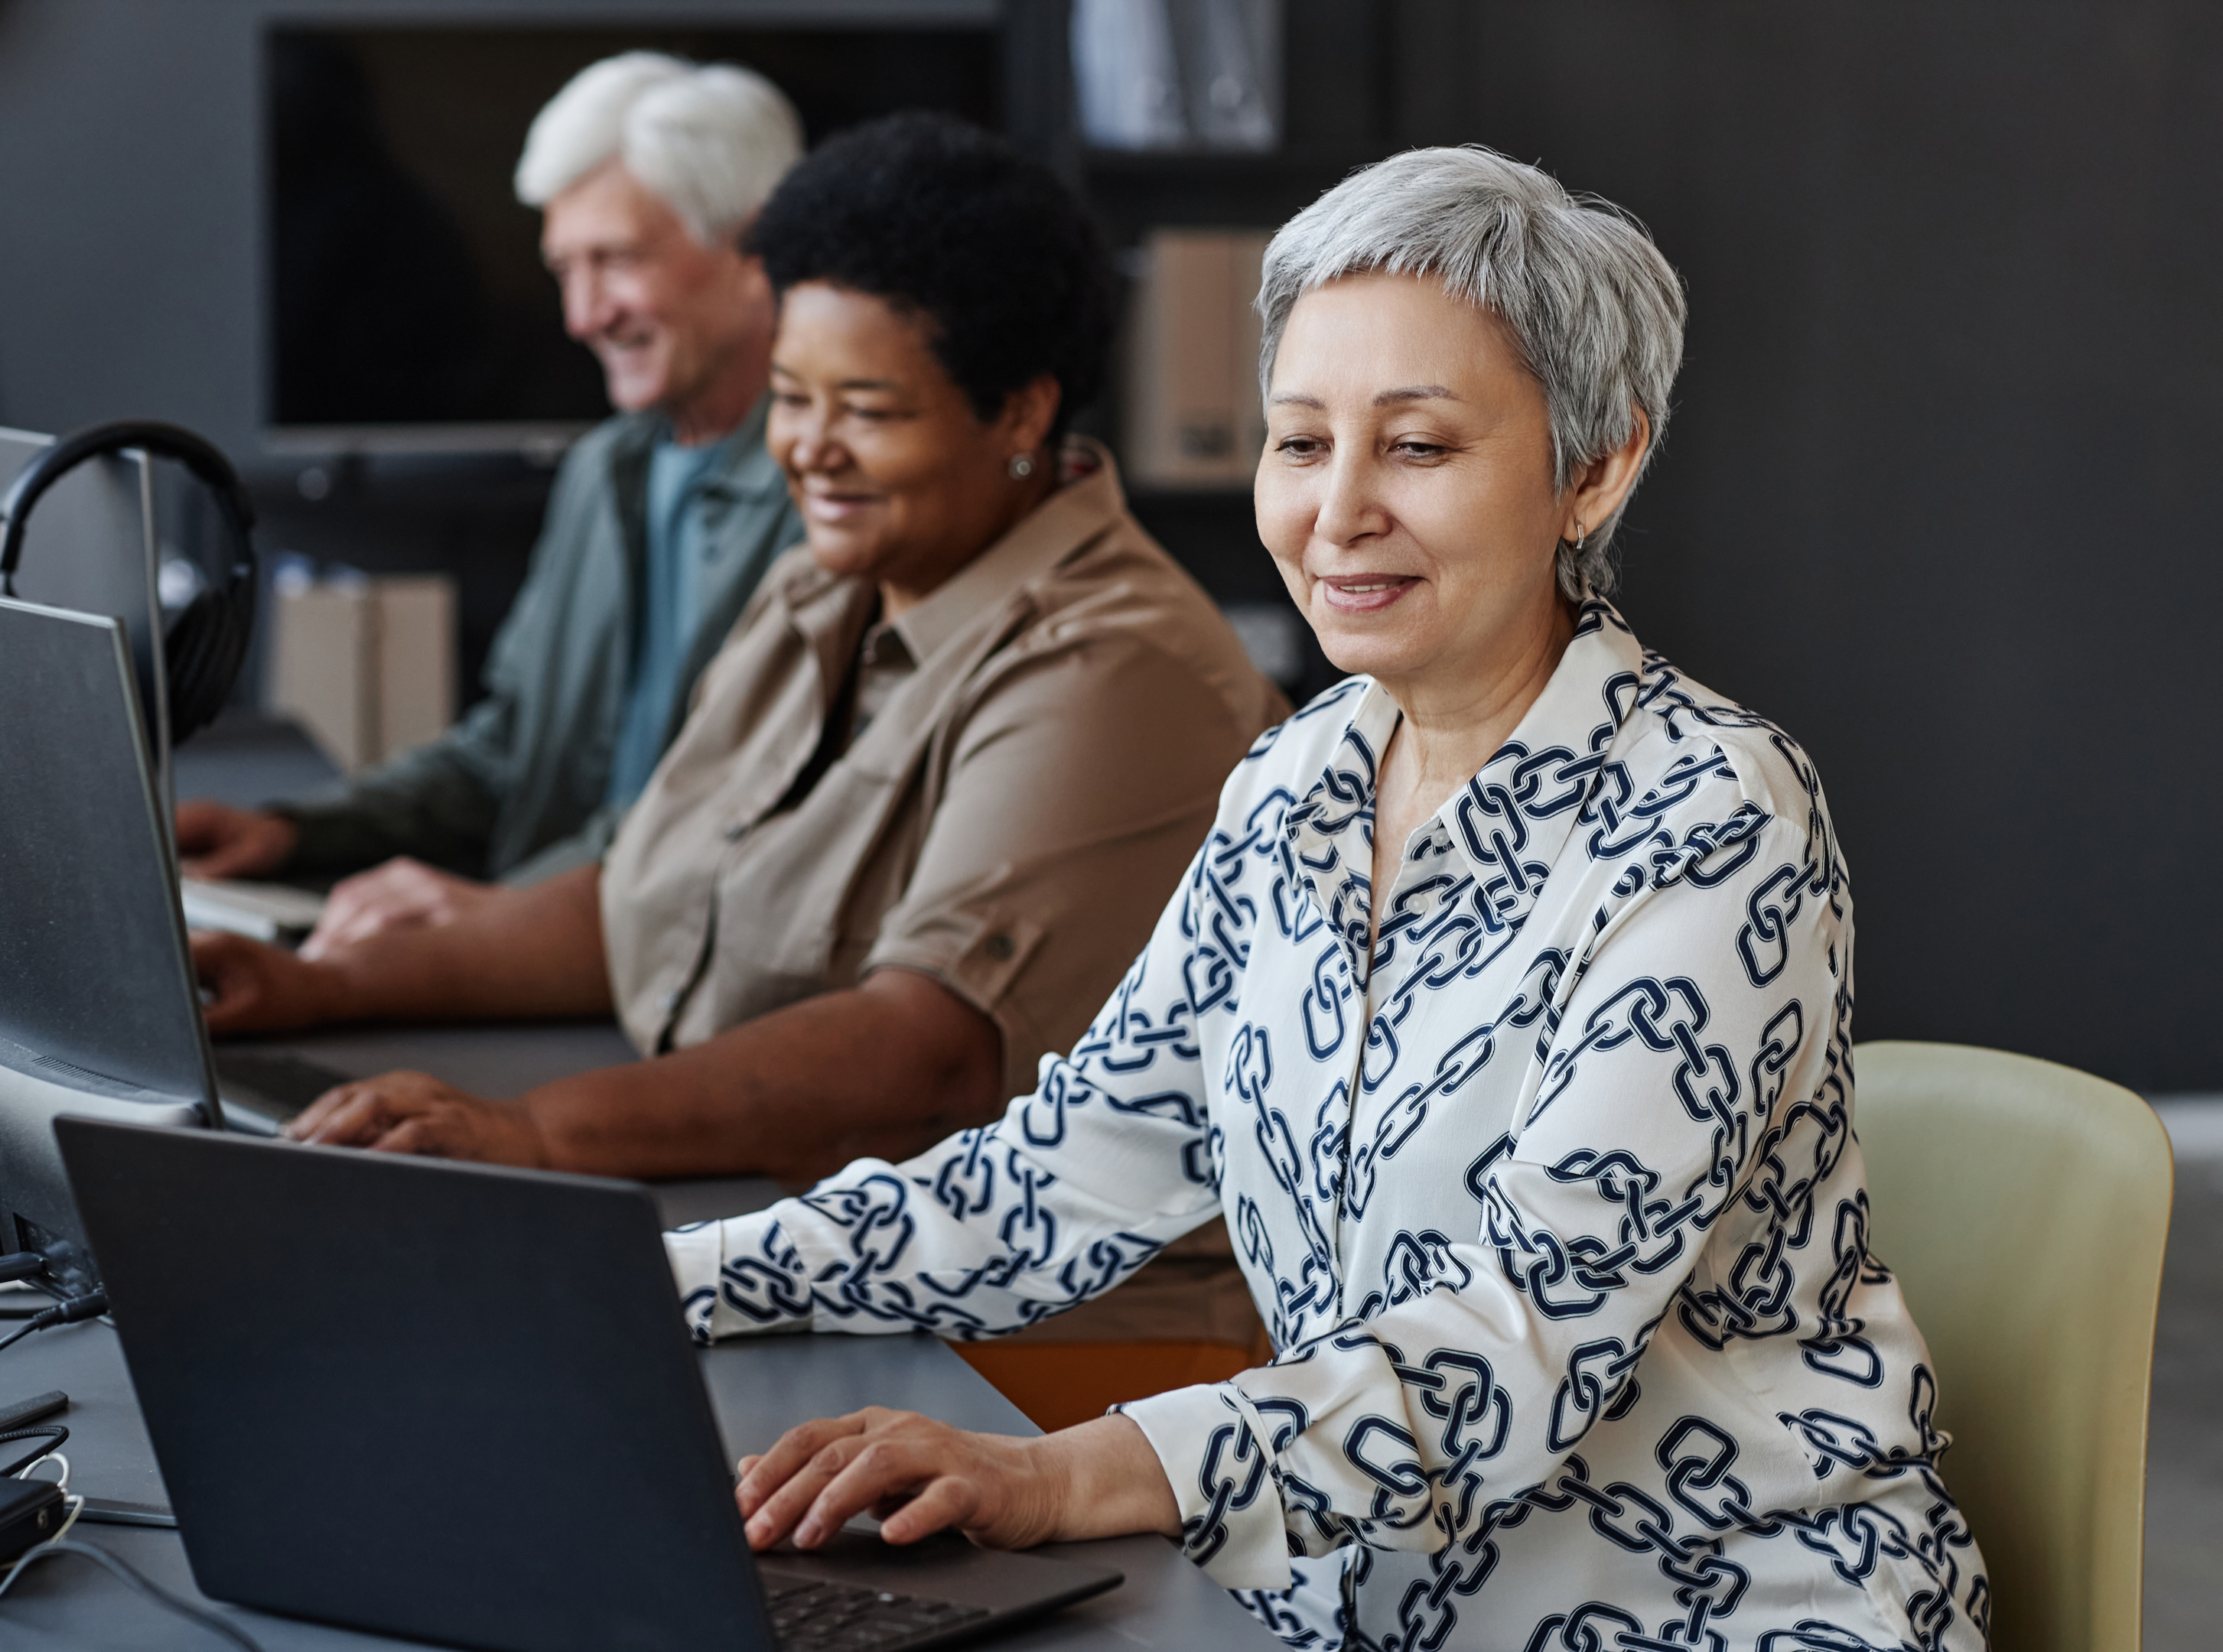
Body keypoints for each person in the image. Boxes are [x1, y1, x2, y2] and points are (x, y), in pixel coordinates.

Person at [667, 147, 1988, 1650]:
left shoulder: (1707, 815)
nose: (1336, 511)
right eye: (1300, 444)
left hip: (1713, 1611)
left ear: (1596, 465)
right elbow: (1065, 1175)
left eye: (1416, 447)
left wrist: (1054, 1477)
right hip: (1346, 1610)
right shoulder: (1295, 782)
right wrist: (661, 1283)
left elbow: (1519, 1344)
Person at [192, 115, 1287, 1212]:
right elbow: (643, 906)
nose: (808, 448)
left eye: (866, 409)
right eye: (795, 397)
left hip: (1033, 1339)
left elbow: (927, 1052)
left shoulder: (1112, 665)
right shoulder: (828, 583)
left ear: (1020, 410)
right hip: (791, 1220)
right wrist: (318, 987)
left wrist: (533, 1129)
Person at [178, 53, 804, 953]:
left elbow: (742, 819)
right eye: (564, 270)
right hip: (540, 951)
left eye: (616, 261)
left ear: (755, 254)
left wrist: (494, 920)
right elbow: (505, 754)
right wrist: (297, 832)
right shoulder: (604, 472)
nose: (582, 316)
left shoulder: (832, 492)